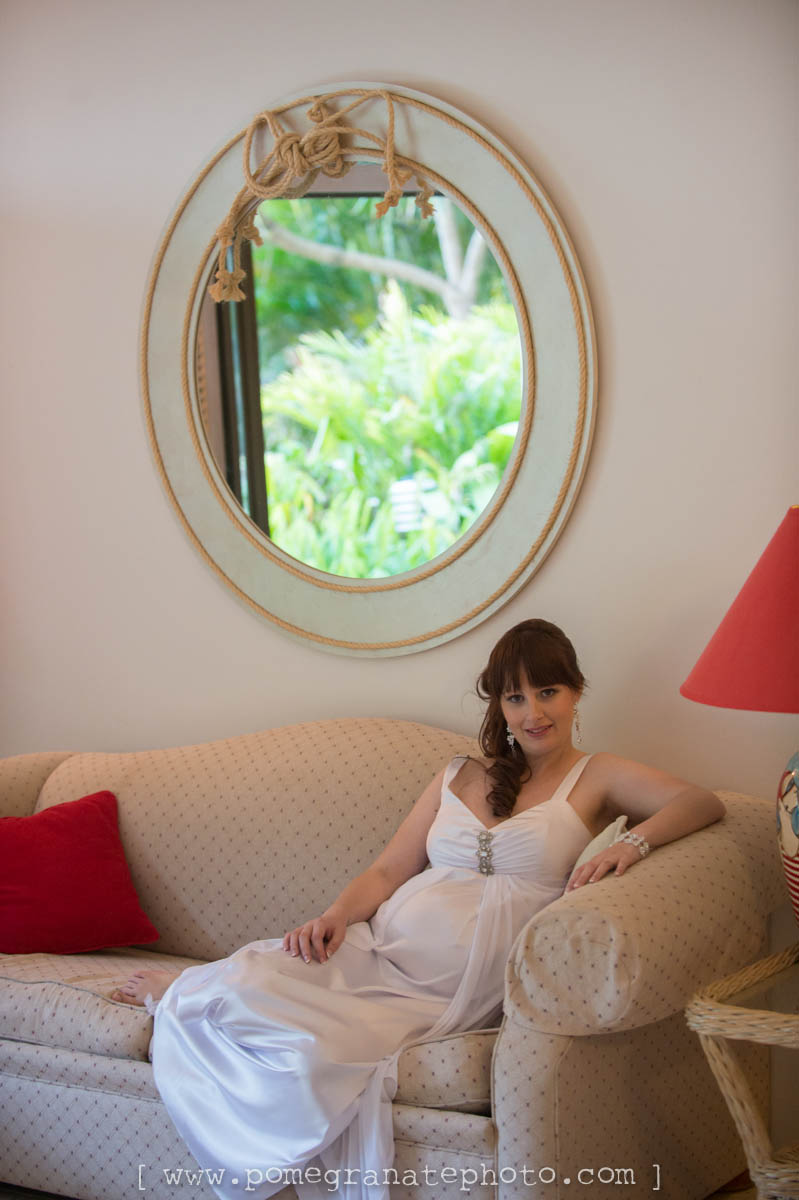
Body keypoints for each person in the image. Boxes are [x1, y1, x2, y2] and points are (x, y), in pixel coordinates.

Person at [111, 619, 724, 1200]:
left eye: (548, 692)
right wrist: (336, 915)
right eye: (515, 698)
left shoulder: (597, 775)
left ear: (576, 693)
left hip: (449, 989)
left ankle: (200, 1004)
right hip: (380, 946)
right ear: (499, 706)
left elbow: (702, 802)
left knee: (315, 1055)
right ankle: (186, 988)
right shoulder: (458, 774)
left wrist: (631, 844)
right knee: (250, 982)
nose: (533, 713)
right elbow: (387, 870)